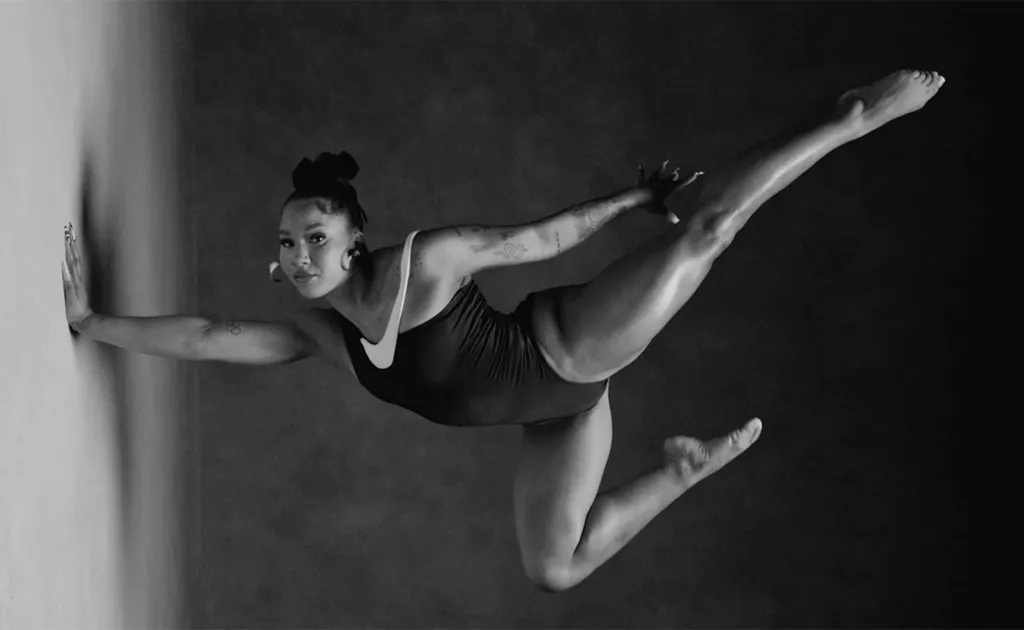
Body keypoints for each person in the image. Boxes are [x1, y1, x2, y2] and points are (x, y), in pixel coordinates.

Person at [61, 69, 944, 592]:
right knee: (554, 570)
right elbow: (212, 333)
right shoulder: (327, 337)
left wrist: (637, 201)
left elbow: (544, 239)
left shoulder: (432, 260)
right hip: (562, 414)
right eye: (288, 245)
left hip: (567, 344)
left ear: (354, 239)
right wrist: (93, 321)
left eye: (316, 238)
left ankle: (852, 116)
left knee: (706, 231)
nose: (298, 256)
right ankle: (683, 472)